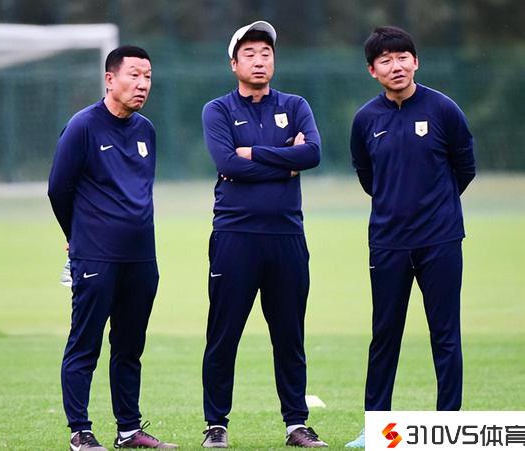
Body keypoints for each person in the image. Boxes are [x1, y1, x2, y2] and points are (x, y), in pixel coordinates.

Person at [200, 21, 328, 449]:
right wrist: (285, 161)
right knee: (224, 335)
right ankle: (215, 424)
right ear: (234, 64)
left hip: (286, 236)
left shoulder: (295, 104)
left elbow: (312, 153)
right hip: (235, 237)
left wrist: (253, 153)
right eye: (250, 54)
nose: (259, 60)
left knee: (289, 336)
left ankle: (296, 424)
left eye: (266, 53)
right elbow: (227, 164)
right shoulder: (218, 110)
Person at [346, 26, 475, 448]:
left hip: (440, 240)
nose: (396, 66)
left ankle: (449, 425)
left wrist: (435, 208)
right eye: (385, 60)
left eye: (403, 57)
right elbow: (368, 176)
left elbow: (465, 167)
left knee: (445, 334)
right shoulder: (365, 119)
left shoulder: (443, 109)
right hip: (388, 243)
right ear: (372, 70)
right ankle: (375, 428)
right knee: (385, 335)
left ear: (415, 61)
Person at [48, 45, 177, 451]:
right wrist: (77, 235)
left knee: (129, 346)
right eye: (134, 75)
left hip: (141, 257)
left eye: (148, 77)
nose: (142, 84)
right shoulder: (83, 126)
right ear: (110, 79)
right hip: (95, 256)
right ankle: (80, 431)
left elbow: (140, 191)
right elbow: (58, 189)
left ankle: (128, 430)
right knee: (84, 344)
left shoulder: (146, 130)